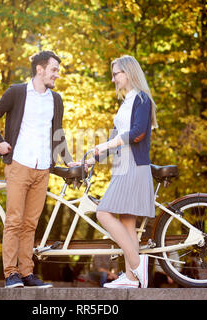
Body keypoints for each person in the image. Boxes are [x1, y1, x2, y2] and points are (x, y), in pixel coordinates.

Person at [0, 51, 77, 288]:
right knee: (14, 221)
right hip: (19, 165)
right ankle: (10, 274)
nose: (57, 74)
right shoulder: (17, 92)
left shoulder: (55, 99)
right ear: (40, 69)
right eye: (54, 69)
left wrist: (69, 161)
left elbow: (58, 135)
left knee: (30, 224)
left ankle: (27, 273)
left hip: (42, 169)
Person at [85, 55, 158, 288]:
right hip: (122, 167)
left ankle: (137, 264)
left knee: (103, 213)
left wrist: (108, 145)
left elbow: (137, 134)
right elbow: (113, 139)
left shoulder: (142, 99)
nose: (113, 77)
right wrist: (91, 159)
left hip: (134, 166)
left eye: (117, 73)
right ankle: (132, 278)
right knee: (127, 223)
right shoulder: (126, 103)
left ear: (129, 72)